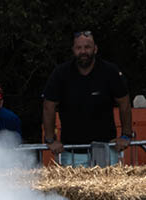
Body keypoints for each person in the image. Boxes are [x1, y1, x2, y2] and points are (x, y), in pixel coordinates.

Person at [42, 31, 134, 166]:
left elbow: (124, 103)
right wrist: (50, 139)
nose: (83, 51)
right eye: (79, 48)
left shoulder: (110, 71)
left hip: (106, 150)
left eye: (87, 47)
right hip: (71, 153)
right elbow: (48, 106)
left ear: (95, 49)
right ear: (73, 50)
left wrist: (126, 135)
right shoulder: (60, 73)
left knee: (108, 181)